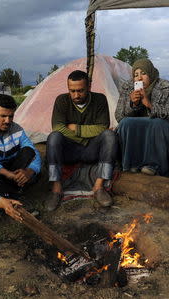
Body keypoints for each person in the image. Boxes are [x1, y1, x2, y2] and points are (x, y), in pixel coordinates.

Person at [45, 70, 118, 211]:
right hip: (70, 150)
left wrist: (76, 129)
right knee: (53, 137)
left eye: (80, 91)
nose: (76, 95)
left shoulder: (99, 99)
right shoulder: (62, 100)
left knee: (109, 136)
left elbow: (103, 127)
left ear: (89, 87)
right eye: (72, 91)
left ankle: (99, 187)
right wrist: (84, 137)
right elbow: (58, 127)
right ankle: (56, 188)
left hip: (91, 149)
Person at [115, 58, 169, 178]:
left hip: (159, 128)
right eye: (136, 75)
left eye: (143, 73)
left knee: (157, 123)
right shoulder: (127, 87)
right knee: (126, 123)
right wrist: (133, 104)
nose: (139, 78)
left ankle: (154, 166)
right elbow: (119, 116)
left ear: (150, 73)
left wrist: (149, 104)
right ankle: (132, 164)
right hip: (137, 129)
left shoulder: (165, 86)